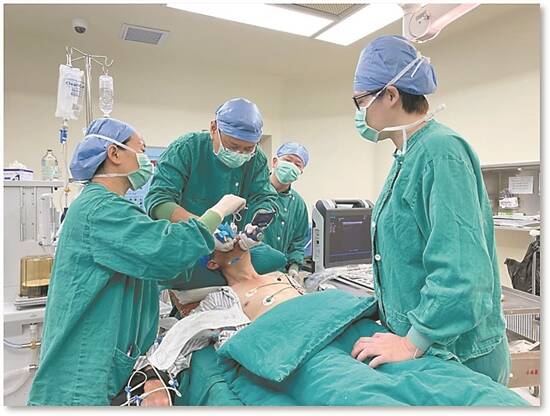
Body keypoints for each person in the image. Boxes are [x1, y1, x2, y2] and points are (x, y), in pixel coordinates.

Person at [28, 118, 246, 406]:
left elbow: (153, 267)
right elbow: (164, 250)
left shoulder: (113, 208)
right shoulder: (99, 209)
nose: (147, 162)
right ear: (114, 154)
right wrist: (217, 212)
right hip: (81, 373)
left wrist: (209, 251)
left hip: (105, 364)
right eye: (141, 151)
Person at [350, 35, 509, 384]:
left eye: (360, 101)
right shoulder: (407, 155)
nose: (359, 113)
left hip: (457, 355)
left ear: (391, 95)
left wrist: (413, 341)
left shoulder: (441, 152)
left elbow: (462, 271)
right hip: (424, 348)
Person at [144, 97, 277, 252]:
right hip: (182, 246)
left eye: (248, 149)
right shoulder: (187, 148)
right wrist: (206, 227)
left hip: (228, 248)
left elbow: (265, 199)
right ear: (214, 129)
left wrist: (256, 226)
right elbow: (159, 202)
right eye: (232, 146)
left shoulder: (257, 159)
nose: (239, 153)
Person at [249, 142, 310, 278]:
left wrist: (294, 267)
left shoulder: (298, 204)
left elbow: (298, 243)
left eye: (297, 164)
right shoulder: (253, 190)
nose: (291, 166)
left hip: (279, 274)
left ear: (301, 171)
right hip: (246, 270)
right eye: (287, 160)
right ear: (275, 162)